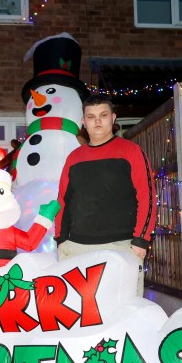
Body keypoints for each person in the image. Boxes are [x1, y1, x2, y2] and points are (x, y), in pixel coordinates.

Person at [55, 94, 157, 296]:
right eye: (91, 117)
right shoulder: (73, 158)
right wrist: (61, 240)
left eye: (103, 115)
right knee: (80, 316)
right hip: (76, 248)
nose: (98, 121)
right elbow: (63, 200)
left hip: (120, 247)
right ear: (84, 122)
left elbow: (147, 197)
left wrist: (140, 241)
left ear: (113, 118)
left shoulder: (131, 151)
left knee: (124, 314)